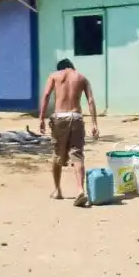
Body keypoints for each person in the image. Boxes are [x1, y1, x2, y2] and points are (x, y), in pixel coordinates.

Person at [39, 59, 99, 206]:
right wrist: (94, 123)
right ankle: (80, 190)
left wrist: (41, 118)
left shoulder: (54, 76)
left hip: (59, 117)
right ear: (72, 67)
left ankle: (58, 190)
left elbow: (46, 95)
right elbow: (90, 100)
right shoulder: (82, 77)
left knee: (57, 154)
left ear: (60, 69)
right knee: (77, 154)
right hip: (76, 117)